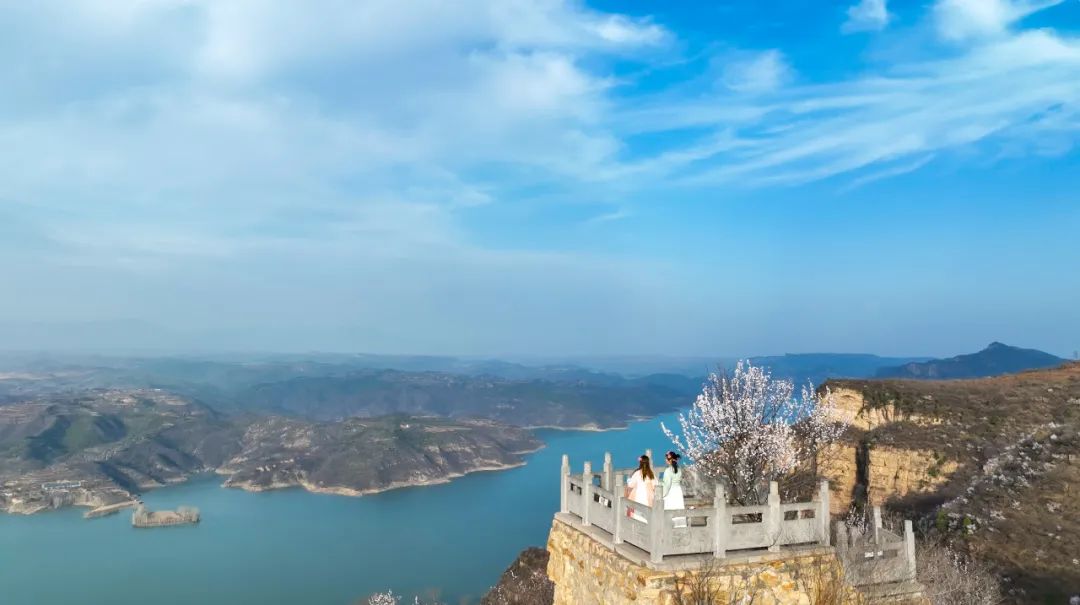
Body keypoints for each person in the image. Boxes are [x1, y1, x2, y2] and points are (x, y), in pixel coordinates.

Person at [624, 454, 655, 522]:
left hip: (638, 494)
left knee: (637, 511)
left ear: (640, 463)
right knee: (647, 510)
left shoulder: (637, 473)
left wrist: (628, 480)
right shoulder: (651, 473)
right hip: (648, 495)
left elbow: (631, 485)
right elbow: (655, 484)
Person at [662, 451, 686, 528]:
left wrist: (662, 494)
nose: (665, 460)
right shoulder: (679, 470)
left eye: (666, 459)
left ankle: (668, 528)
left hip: (670, 492)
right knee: (678, 509)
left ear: (669, 460)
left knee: (669, 508)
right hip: (678, 491)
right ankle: (680, 527)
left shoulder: (668, 470)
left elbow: (667, 484)